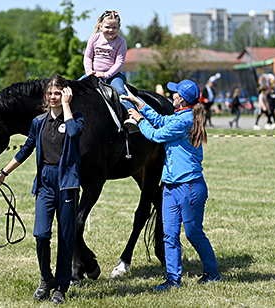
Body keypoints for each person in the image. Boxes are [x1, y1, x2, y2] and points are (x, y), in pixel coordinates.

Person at [0, 75, 85, 304]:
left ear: (65, 94)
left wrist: (66, 106)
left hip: (67, 183)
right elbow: (25, 149)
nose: (53, 97)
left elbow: (74, 133)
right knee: (41, 234)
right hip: (45, 183)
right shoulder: (38, 122)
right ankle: (46, 279)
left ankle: (61, 287)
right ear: (46, 95)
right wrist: (4, 172)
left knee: (65, 237)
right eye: (50, 93)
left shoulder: (77, 117)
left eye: (58, 93)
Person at [123, 79, 221, 292]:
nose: (172, 94)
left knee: (194, 233)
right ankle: (173, 279)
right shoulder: (180, 116)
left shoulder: (185, 121)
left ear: (182, 99)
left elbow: (156, 134)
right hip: (170, 186)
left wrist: (139, 121)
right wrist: (137, 102)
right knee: (169, 234)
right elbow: (159, 119)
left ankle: (212, 274)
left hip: (189, 187)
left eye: (175, 92)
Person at [82, 10, 137, 130]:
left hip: (113, 75)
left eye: (114, 27)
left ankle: (132, 116)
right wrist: (89, 71)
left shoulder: (121, 42)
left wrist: (106, 74)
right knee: (75, 88)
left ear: (119, 27)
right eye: (107, 27)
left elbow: (119, 62)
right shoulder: (94, 38)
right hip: (93, 73)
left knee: (121, 92)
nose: (111, 30)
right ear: (100, 26)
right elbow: (88, 57)